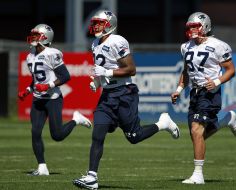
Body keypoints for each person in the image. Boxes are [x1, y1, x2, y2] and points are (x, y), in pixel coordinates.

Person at [72, 10, 180, 189]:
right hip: (107, 96)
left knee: (134, 137)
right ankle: (92, 177)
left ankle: (163, 124)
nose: (96, 26)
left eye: (100, 23)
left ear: (110, 24)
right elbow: (103, 70)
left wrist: (106, 73)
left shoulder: (118, 41)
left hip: (124, 93)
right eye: (95, 22)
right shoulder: (94, 44)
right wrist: (97, 82)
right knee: (97, 134)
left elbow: (131, 69)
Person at [171, 12, 236, 184]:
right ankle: (226, 120)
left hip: (209, 92)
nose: (192, 30)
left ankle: (198, 174)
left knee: (196, 131)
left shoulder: (218, 45)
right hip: (194, 93)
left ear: (205, 26)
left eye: (196, 27)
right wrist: (179, 89)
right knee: (197, 135)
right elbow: (186, 72)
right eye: (190, 27)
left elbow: (231, 70)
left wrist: (216, 81)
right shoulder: (185, 47)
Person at [18, 24, 92, 176]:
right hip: (38, 99)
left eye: (36, 35)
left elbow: (65, 76)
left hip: (53, 98)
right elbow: (36, 80)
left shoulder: (52, 53)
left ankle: (76, 120)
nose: (33, 37)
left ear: (45, 38)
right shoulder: (30, 55)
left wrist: (49, 86)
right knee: (35, 132)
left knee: (57, 135)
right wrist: (27, 90)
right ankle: (42, 167)